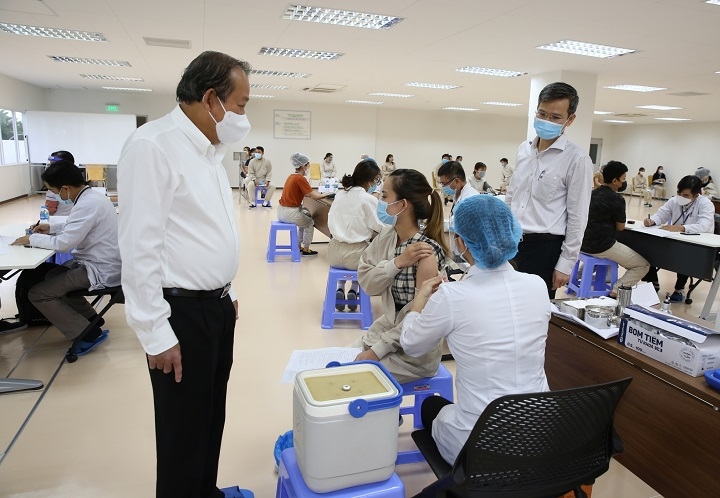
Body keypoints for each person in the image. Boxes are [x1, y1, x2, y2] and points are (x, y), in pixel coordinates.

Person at [117, 50, 249, 498]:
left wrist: (226, 288)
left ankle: (204, 490)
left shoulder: (211, 150)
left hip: (215, 305)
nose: (242, 116)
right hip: (179, 314)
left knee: (210, 416)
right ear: (211, 98)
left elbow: (207, 229)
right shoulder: (154, 145)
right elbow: (139, 247)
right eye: (240, 105)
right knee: (182, 430)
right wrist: (156, 331)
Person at [400, 195, 550, 465]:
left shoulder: (452, 296)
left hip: (479, 445)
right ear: (511, 234)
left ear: (461, 243)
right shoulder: (537, 285)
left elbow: (411, 344)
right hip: (538, 434)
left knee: (430, 406)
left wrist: (420, 300)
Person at [11, 161, 120, 354]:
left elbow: (64, 244)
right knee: (52, 276)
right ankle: (90, 318)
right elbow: (75, 224)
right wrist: (51, 227)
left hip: (99, 268)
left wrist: (32, 238)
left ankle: (87, 334)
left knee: (38, 293)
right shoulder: (92, 198)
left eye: (53, 191)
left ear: (65, 188)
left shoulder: (87, 204)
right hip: (98, 262)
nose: (55, 196)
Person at [354, 169, 448, 383]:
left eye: (385, 196)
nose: (379, 200)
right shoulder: (387, 236)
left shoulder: (425, 253)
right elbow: (367, 283)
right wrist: (397, 263)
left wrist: (376, 351)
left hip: (413, 355)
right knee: (340, 364)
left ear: (403, 205)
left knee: (356, 378)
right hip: (388, 333)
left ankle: (388, 416)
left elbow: (419, 319)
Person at [506, 82, 593, 299]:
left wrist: (566, 262)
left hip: (543, 249)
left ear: (570, 119)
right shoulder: (524, 149)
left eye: (555, 117)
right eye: (542, 113)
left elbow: (578, 216)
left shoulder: (577, 159)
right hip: (510, 243)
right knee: (504, 306)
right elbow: (512, 196)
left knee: (532, 313)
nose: (546, 121)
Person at [581, 161, 650, 297]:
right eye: (623, 179)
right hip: (601, 246)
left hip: (583, 243)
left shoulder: (591, 193)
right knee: (642, 265)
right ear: (615, 181)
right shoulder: (616, 199)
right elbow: (620, 227)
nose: (624, 182)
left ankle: (578, 276)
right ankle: (616, 290)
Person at [642, 175, 715, 301]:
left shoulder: (706, 204)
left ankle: (679, 289)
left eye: (686, 195)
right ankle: (652, 281)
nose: (681, 197)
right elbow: (661, 215)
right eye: (679, 193)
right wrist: (652, 221)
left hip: (697, 243)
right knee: (647, 247)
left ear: (696, 195)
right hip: (674, 238)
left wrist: (680, 228)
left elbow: (703, 226)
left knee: (685, 254)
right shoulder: (674, 201)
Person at [328, 158, 385, 311]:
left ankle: (340, 287)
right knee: (375, 255)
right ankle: (353, 289)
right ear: (372, 180)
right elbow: (381, 227)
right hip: (355, 257)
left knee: (356, 253)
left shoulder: (339, 194)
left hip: (333, 253)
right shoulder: (367, 199)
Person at [277, 153, 330, 256]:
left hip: (281, 211)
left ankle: (298, 246)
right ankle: (306, 248)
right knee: (309, 223)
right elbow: (315, 196)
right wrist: (327, 194)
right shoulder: (300, 179)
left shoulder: (291, 176)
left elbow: (305, 193)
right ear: (303, 166)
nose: (309, 168)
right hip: (290, 213)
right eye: (308, 165)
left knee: (303, 221)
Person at [44, 150, 75, 215]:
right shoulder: (78, 183)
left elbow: (50, 210)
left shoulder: (54, 186)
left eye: (52, 165)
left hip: (59, 220)